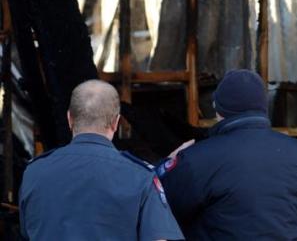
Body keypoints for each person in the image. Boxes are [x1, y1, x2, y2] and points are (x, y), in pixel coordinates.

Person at [157, 70, 297, 240]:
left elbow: (158, 209)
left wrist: (167, 164)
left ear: (218, 111)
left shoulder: (195, 159)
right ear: (263, 108)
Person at [19, 80, 184, 241]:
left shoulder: (34, 172)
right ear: (116, 122)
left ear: (70, 119)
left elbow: (27, 231)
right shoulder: (140, 177)